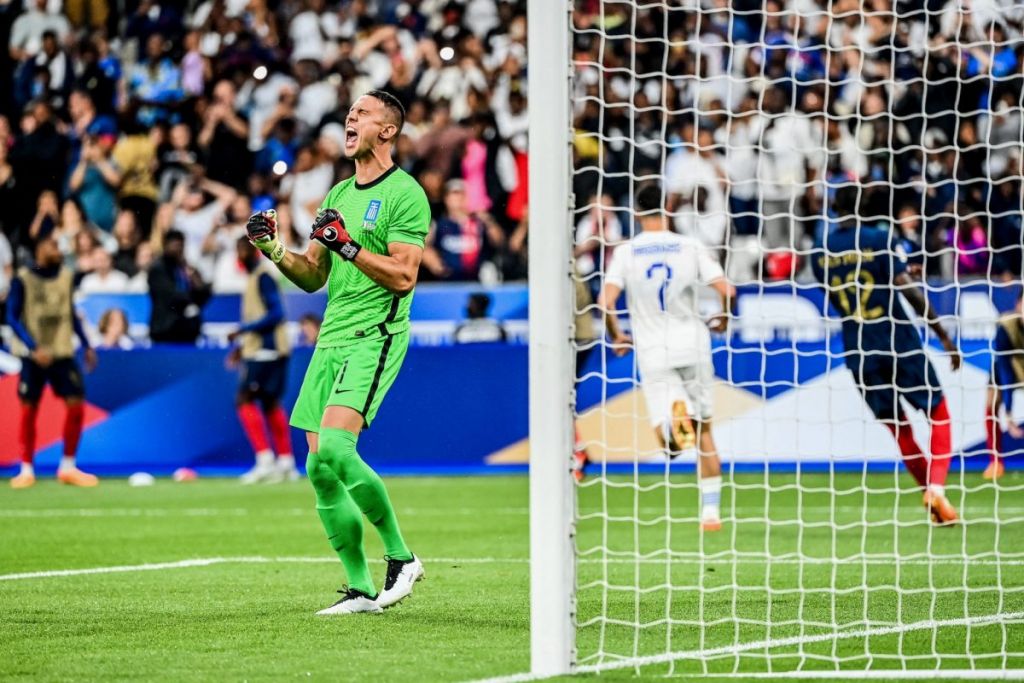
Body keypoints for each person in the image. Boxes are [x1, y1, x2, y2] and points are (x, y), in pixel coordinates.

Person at [245, 90, 427, 614]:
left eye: (362, 113)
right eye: (349, 112)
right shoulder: (339, 193)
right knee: (319, 468)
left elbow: (404, 276)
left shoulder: (405, 193)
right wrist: (273, 249)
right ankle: (361, 589)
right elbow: (312, 275)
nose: (350, 118)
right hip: (330, 338)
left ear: (387, 130)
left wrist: (347, 244)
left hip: (375, 334)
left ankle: (402, 557)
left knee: (336, 449)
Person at [811, 186, 963, 525]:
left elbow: (835, 294)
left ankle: (933, 497)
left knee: (899, 428)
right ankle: (936, 488)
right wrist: (943, 335)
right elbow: (907, 289)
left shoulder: (819, 251)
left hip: (859, 350)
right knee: (938, 412)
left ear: (834, 207)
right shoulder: (880, 238)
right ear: (865, 204)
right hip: (897, 340)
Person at [596, 184, 735, 532]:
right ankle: (711, 514)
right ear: (668, 207)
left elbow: (605, 302)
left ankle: (674, 426)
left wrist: (617, 335)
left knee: (670, 447)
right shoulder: (690, 246)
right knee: (705, 431)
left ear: (636, 212)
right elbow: (727, 289)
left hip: (653, 349)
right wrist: (724, 316)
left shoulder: (626, 252)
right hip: (694, 345)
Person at [6, 233, 98, 489]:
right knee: (29, 408)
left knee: (76, 402)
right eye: (53, 245)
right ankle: (26, 469)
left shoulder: (66, 277)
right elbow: (12, 317)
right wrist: (33, 347)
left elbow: (71, 313)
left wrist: (86, 344)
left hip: (60, 351)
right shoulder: (23, 279)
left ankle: (68, 467)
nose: (58, 250)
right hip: (33, 355)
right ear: (39, 248)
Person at [227, 236, 298, 484]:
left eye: (243, 250)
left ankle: (265, 460)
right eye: (238, 250)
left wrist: (244, 330)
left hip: (266, 349)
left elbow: (277, 313)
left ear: (254, 252)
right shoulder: (255, 277)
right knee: (270, 402)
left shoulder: (263, 276)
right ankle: (286, 462)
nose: (240, 255)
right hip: (264, 349)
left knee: (244, 399)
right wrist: (241, 346)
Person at [147, 229, 212, 344]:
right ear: (165, 245)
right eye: (175, 245)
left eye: (181, 245)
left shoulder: (186, 268)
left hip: (186, 330)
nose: (178, 249)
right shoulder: (158, 269)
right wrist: (193, 295)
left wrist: (195, 280)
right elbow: (172, 296)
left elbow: (204, 294)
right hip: (164, 330)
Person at [986, 292, 1024, 481]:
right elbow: (1005, 368)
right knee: (992, 403)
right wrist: (1008, 412)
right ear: (1018, 305)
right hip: (1009, 364)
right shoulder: (1006, 326)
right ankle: (995, 461)